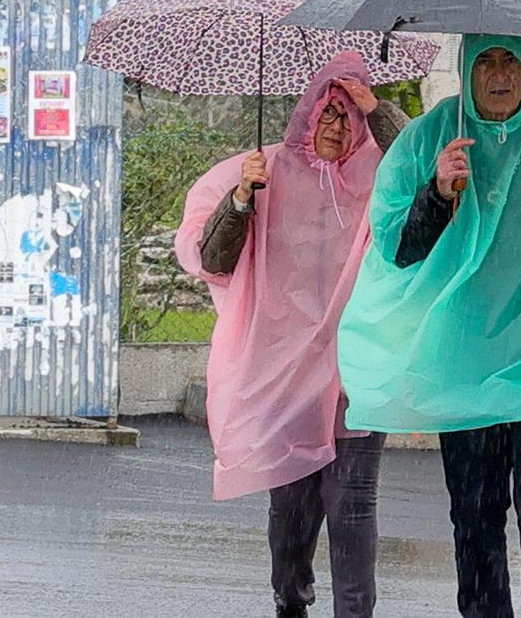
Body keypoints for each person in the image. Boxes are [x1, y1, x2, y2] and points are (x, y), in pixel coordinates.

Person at [337, 35, 521, 618]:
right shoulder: (430, 137)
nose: (499, 75)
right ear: (466, 71)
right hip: (461, 357)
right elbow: (399, 249)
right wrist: (437, 192)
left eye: (509, 62)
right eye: (484, 62)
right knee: (474, 510)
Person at [174, 51, 409, 618]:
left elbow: (421, 166)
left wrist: (377, 108)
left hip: (356, 368)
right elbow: (213, 259)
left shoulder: (383, 177)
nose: (337, 127)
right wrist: (241, 200)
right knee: (293, 514)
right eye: (328, 112)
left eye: (349, 116)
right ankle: (292, 602)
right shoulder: (266, 172)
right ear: (306, 113)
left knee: (352, 506)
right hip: (287, 373)